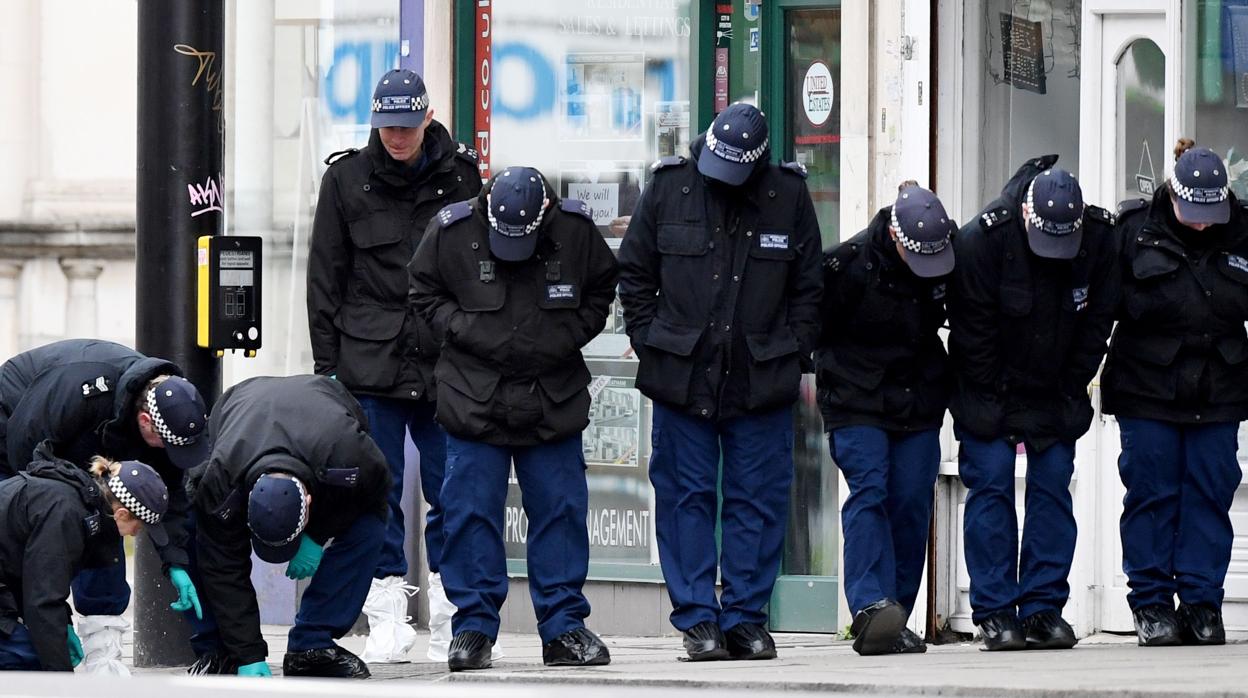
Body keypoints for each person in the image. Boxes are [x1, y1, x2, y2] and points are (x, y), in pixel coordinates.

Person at [617, 103, 822, 661]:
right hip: (682, 373)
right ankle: (698, 620)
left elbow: (809, 286)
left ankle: (745, 619)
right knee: (686, 498)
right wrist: (646, 332)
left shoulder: (788, 194)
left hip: (762, 374)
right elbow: (634, 273)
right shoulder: (668, 188)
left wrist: (797, 345)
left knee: (757, 501)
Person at [409, 165, 617, 671]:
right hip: (474, 393)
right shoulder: (453, 230)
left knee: (561, 511)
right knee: (469, 513)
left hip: (553, 394)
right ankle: (474, 629)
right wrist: (461, 330)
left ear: (542, 216)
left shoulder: (575, 229)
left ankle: (564, 628)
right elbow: (422, 293)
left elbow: (602, 290)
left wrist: (568, 336)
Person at [306, 67, 483, 663]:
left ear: (427, 118)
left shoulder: (461, 174)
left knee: (454, 492)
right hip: (367, 361)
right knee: (371, 494)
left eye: (408, 126)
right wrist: (326, 369)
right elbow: (324, 278)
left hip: (444, 362)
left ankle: (456, 612)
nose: (398, 138)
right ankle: (385, 615)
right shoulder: (346, 180)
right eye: (387, 126)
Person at [947, 157, 1118, 651]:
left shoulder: (1098, 239)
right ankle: (996, 612)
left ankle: (1043, 609)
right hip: (988, 389)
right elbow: (972, 335)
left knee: (1052, 487)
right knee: (993, 485)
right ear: (1026, 215)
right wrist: (1001, 401)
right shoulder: (983, 239)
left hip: (1056, 388)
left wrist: (1069, 386)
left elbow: (1097, 324)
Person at [1103, 140, 1248, 647]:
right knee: (1151, 494)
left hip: (1221, 387)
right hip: (1148, 390)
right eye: (1195, 214)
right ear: (1174, 191)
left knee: (1210, 493)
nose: (1204, 225)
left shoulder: (1244, 229)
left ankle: (1203, 602)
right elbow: (1101, 310)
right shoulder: (1133, 233)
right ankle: (1152, 604)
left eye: (1213, 214)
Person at [0, 338, 210, 674]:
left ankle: (101, 649)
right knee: (42, 530)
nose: (173, 456)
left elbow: (170, 493)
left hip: (76, 445)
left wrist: (175, 562)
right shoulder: (83, 389)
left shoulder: (165, 419)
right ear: (145, 422)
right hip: (12, 425)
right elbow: (26, 463)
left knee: (106, 521)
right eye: (167, 445)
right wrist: (49, 618)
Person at [817, 184, 955, 656]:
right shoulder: (846, 265)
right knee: (870, 492)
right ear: (896, 235)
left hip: (916, 401)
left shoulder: (945, 251)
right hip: (857, 400)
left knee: (912, 504)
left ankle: (895, 615)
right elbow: (811, 329)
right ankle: (870, 606)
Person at [191, 375, 390, 678]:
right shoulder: (219, 478)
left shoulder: (349, 454)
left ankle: (311, 646)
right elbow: (222, 566)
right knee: (200, 530)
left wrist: (318, 533)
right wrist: (248, 654)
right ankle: (222, 651)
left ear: (309, 502)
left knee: (370, 526)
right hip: (241, 409)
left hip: (325, 415)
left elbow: (377, 488)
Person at [0, 447, 169, 671]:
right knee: (30, 656)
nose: (135, 534)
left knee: (43, 647)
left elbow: (36, 581)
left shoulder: (78, 504)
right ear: (121, 514)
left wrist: (64, 623)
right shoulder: (67, 516)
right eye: (137, 527)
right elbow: (43, 601)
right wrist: (63, 684)